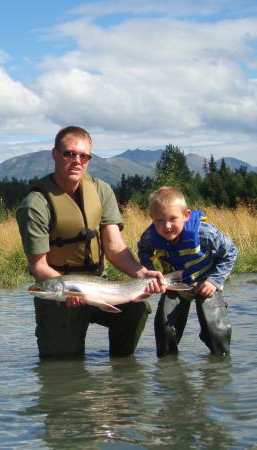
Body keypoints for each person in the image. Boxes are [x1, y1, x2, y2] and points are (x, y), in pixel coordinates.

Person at [16, 126, 165, 358]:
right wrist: (66, 291)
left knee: (137, 308)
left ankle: (122, 375)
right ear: (55, 155)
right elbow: (38, 266)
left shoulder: (101, 191)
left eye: (84, 156)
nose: (77, 161)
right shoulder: (35, 204)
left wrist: (141, 273)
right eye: (69, 154)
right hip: (60, 295)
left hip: (99, 284)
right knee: (62, 370)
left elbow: (115, 247)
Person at [137, 186, 238, 357]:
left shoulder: (204, 231)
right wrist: (151, 274)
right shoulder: (149, 236)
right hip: (174, 286)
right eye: (159, 220)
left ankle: (217, 361)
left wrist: (214, 281)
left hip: (206, 283)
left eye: (173, 219)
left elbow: (230, 252)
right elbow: (143, 252)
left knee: (216, 331)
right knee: (165, 329)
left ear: (186, 215)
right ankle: (168, 368)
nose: (166, 226)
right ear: (151, 217)